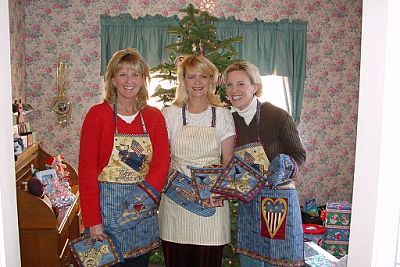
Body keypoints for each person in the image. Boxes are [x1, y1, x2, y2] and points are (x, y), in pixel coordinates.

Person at [78, 48, 170, 267]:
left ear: (143, 80)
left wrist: (141, 200)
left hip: (142, 210)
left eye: (135, 74)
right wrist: (93, 220)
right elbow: (87, 170)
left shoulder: (153, 116)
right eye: (123, 74)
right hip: (105, 214)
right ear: (112, 80)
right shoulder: (97, 115)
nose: (129, 81)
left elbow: (162, 161)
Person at [223, 61, 306, 267]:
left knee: (279, 260)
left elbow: (299, 154)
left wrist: (284, 165)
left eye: (240, 84)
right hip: (249, 204)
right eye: (229, 84)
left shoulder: (277, 116)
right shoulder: (229, 121)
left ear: (255, 87)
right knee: (251, 259)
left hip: (279, 204)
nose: (234, 90)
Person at [158, 55, 236, 267]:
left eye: (204, 76)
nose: (198, 82)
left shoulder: (222, 115)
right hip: (176, 203)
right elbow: (161, 160)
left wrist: (218, 194)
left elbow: (228, 161)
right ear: (183, 80)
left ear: (212, 80)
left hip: (211, 203)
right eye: (192, 77)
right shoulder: (170, 114)